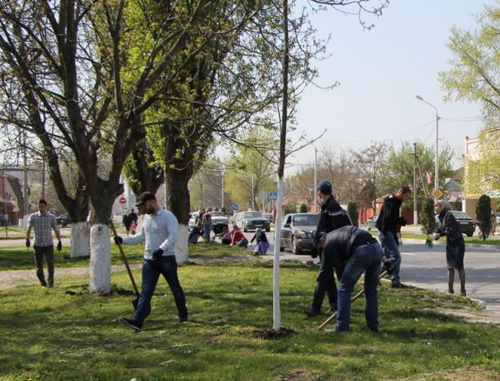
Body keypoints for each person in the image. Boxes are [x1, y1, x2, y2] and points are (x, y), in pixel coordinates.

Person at [115, 191, 188, 331]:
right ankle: (137, 321)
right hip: (149, 261)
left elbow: (173, 236)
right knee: (146, 291)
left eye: (144, 205)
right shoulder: (146, 219)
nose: (142, 208)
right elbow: (141, 236)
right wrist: (123, 240)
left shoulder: (168, 216)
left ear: (152, 202)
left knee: (175, 287)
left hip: (166, 259)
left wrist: (161, 249)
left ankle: (183, 314)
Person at [305, 180, 352, 317]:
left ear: (320, 191)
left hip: (332, 247)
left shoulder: (332, 206)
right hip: (327, 246)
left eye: (318, 190)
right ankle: (335, 303)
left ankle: (315, 308)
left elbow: (335, 230)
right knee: (329, 278)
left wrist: (324, 240)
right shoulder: (327, 205)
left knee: (323, 276)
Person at [322, 225, 383, 332]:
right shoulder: (341, 232)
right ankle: (373, 326)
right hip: (376, 248)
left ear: (322, 239)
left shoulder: (328, 243)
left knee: (343, 289)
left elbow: (339, 266)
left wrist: (344, 281)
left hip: (361, 251)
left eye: (319, 246)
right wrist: (386, 263)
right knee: (371, 291)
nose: (321, 248)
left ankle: (342, 327)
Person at [376, 186, 411, 288]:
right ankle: (374, 275)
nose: (407, 198)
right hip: (385, 232)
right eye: (406, 196)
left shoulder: (395, 202)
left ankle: (395, 281)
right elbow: (388, 218)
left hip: (389, 232)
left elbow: (391, 218)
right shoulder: (391, 202)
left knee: (389, 257)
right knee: (396, 257)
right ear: (400, 193)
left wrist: (398, 224)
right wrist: (399, 221)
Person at [26, 199, 62, 287]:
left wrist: (59, 241)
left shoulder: (51, 217)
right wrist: (27, 239)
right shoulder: (33, 216)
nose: (41, 208)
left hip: (48, 244)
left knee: (50, 263)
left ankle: (51, 282)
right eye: (39, 207)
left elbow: (56, 229)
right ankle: (42, 281)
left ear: (46, 207)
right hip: (37, 244)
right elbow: (29, 228)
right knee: (39, 265)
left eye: (42, 206)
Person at [433, 200, 467, 296]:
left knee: (460, 266)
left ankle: (463, 290)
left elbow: (449, 229)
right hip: (450, 244)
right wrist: (436, 234)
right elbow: (441, 228)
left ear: (442, 206)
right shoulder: (440, 216)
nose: (435, 208)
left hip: (458, 244)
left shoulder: (449, 215)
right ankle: (450, 291)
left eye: (436, 206)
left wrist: (440, 234)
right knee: (450, 267)